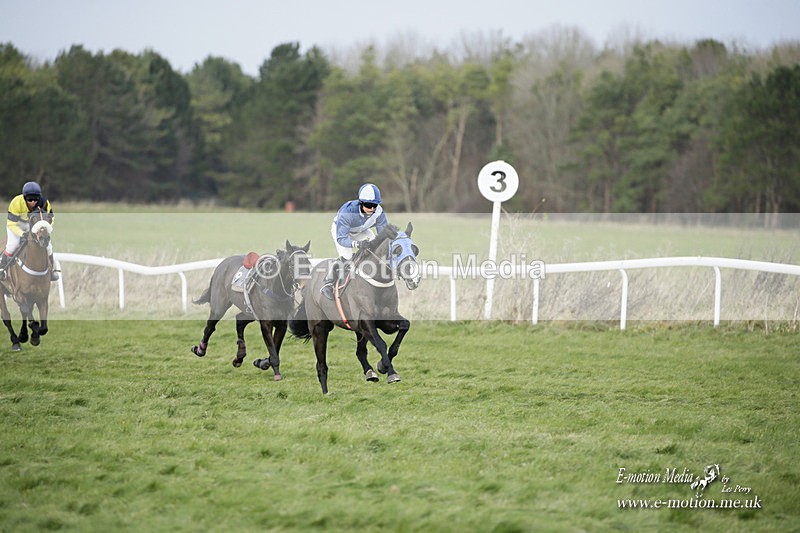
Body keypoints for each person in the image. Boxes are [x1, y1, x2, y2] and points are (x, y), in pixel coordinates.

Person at [320, 183, 388, 300]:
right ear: (361, 203)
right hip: (341, 232)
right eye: (368, 205)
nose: (371, 209)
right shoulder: (348, 212)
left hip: (361, 231)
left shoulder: (379, 212)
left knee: (374, 248)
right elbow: (342, 239)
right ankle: (328, 282)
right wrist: (357, 244)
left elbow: (384, 235)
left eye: (374, 205)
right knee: (346, 256)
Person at [0, 181, 59, 281]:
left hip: (33, 224)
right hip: (16, 224)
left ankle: (51, 271)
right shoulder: (16, 203)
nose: (32, 202)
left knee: (49, 247)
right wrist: (21, 233)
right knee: (12, 245)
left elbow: (51, 219)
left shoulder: (44, 203)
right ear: (24, 197)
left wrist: (46, 229)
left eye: (35, 198)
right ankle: (2, 269)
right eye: (29, 199)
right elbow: (11, 224)